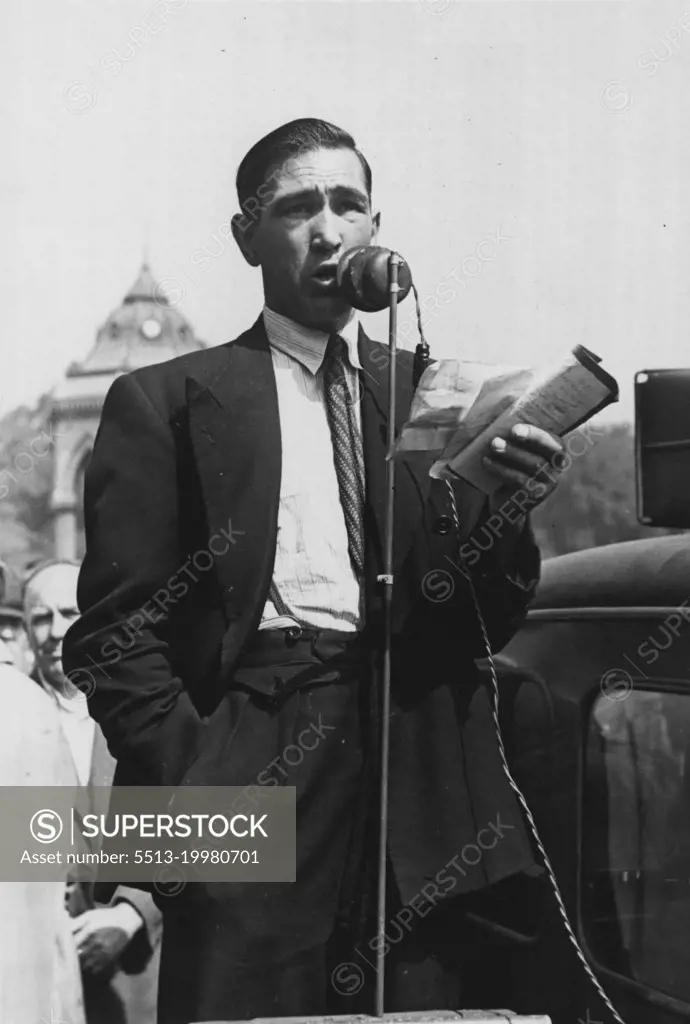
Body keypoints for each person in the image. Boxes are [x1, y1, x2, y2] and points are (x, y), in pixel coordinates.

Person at [64, 117, 567, 1023]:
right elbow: (111, 637)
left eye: (349, 204)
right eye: (298, 207)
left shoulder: (429, 393)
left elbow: (481, 621)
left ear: (378, 227)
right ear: (246, 235)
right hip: (253, 757)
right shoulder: (167, 399)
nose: (329, 230)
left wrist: (510, 509)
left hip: (413, 774)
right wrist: (201, 779)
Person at [23, 560, 161, 1024]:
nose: (53, 630)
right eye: (39, 617)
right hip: (36, 972)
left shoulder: (145, 711)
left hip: (136, 965)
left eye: (67, 612)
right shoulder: (14, 720)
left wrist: (134, 913)